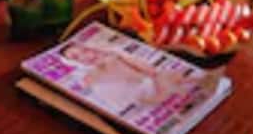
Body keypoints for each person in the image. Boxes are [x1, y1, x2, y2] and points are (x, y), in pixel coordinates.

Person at [59, 39, 190, 112]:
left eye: (84, 50)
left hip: (150, 85)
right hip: (137, 100)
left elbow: (149, 70)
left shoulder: (113, 55)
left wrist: (118, 55)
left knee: (171, 80)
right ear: (75, 63)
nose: (84, 56)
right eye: (76, 57)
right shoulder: (89, 77)